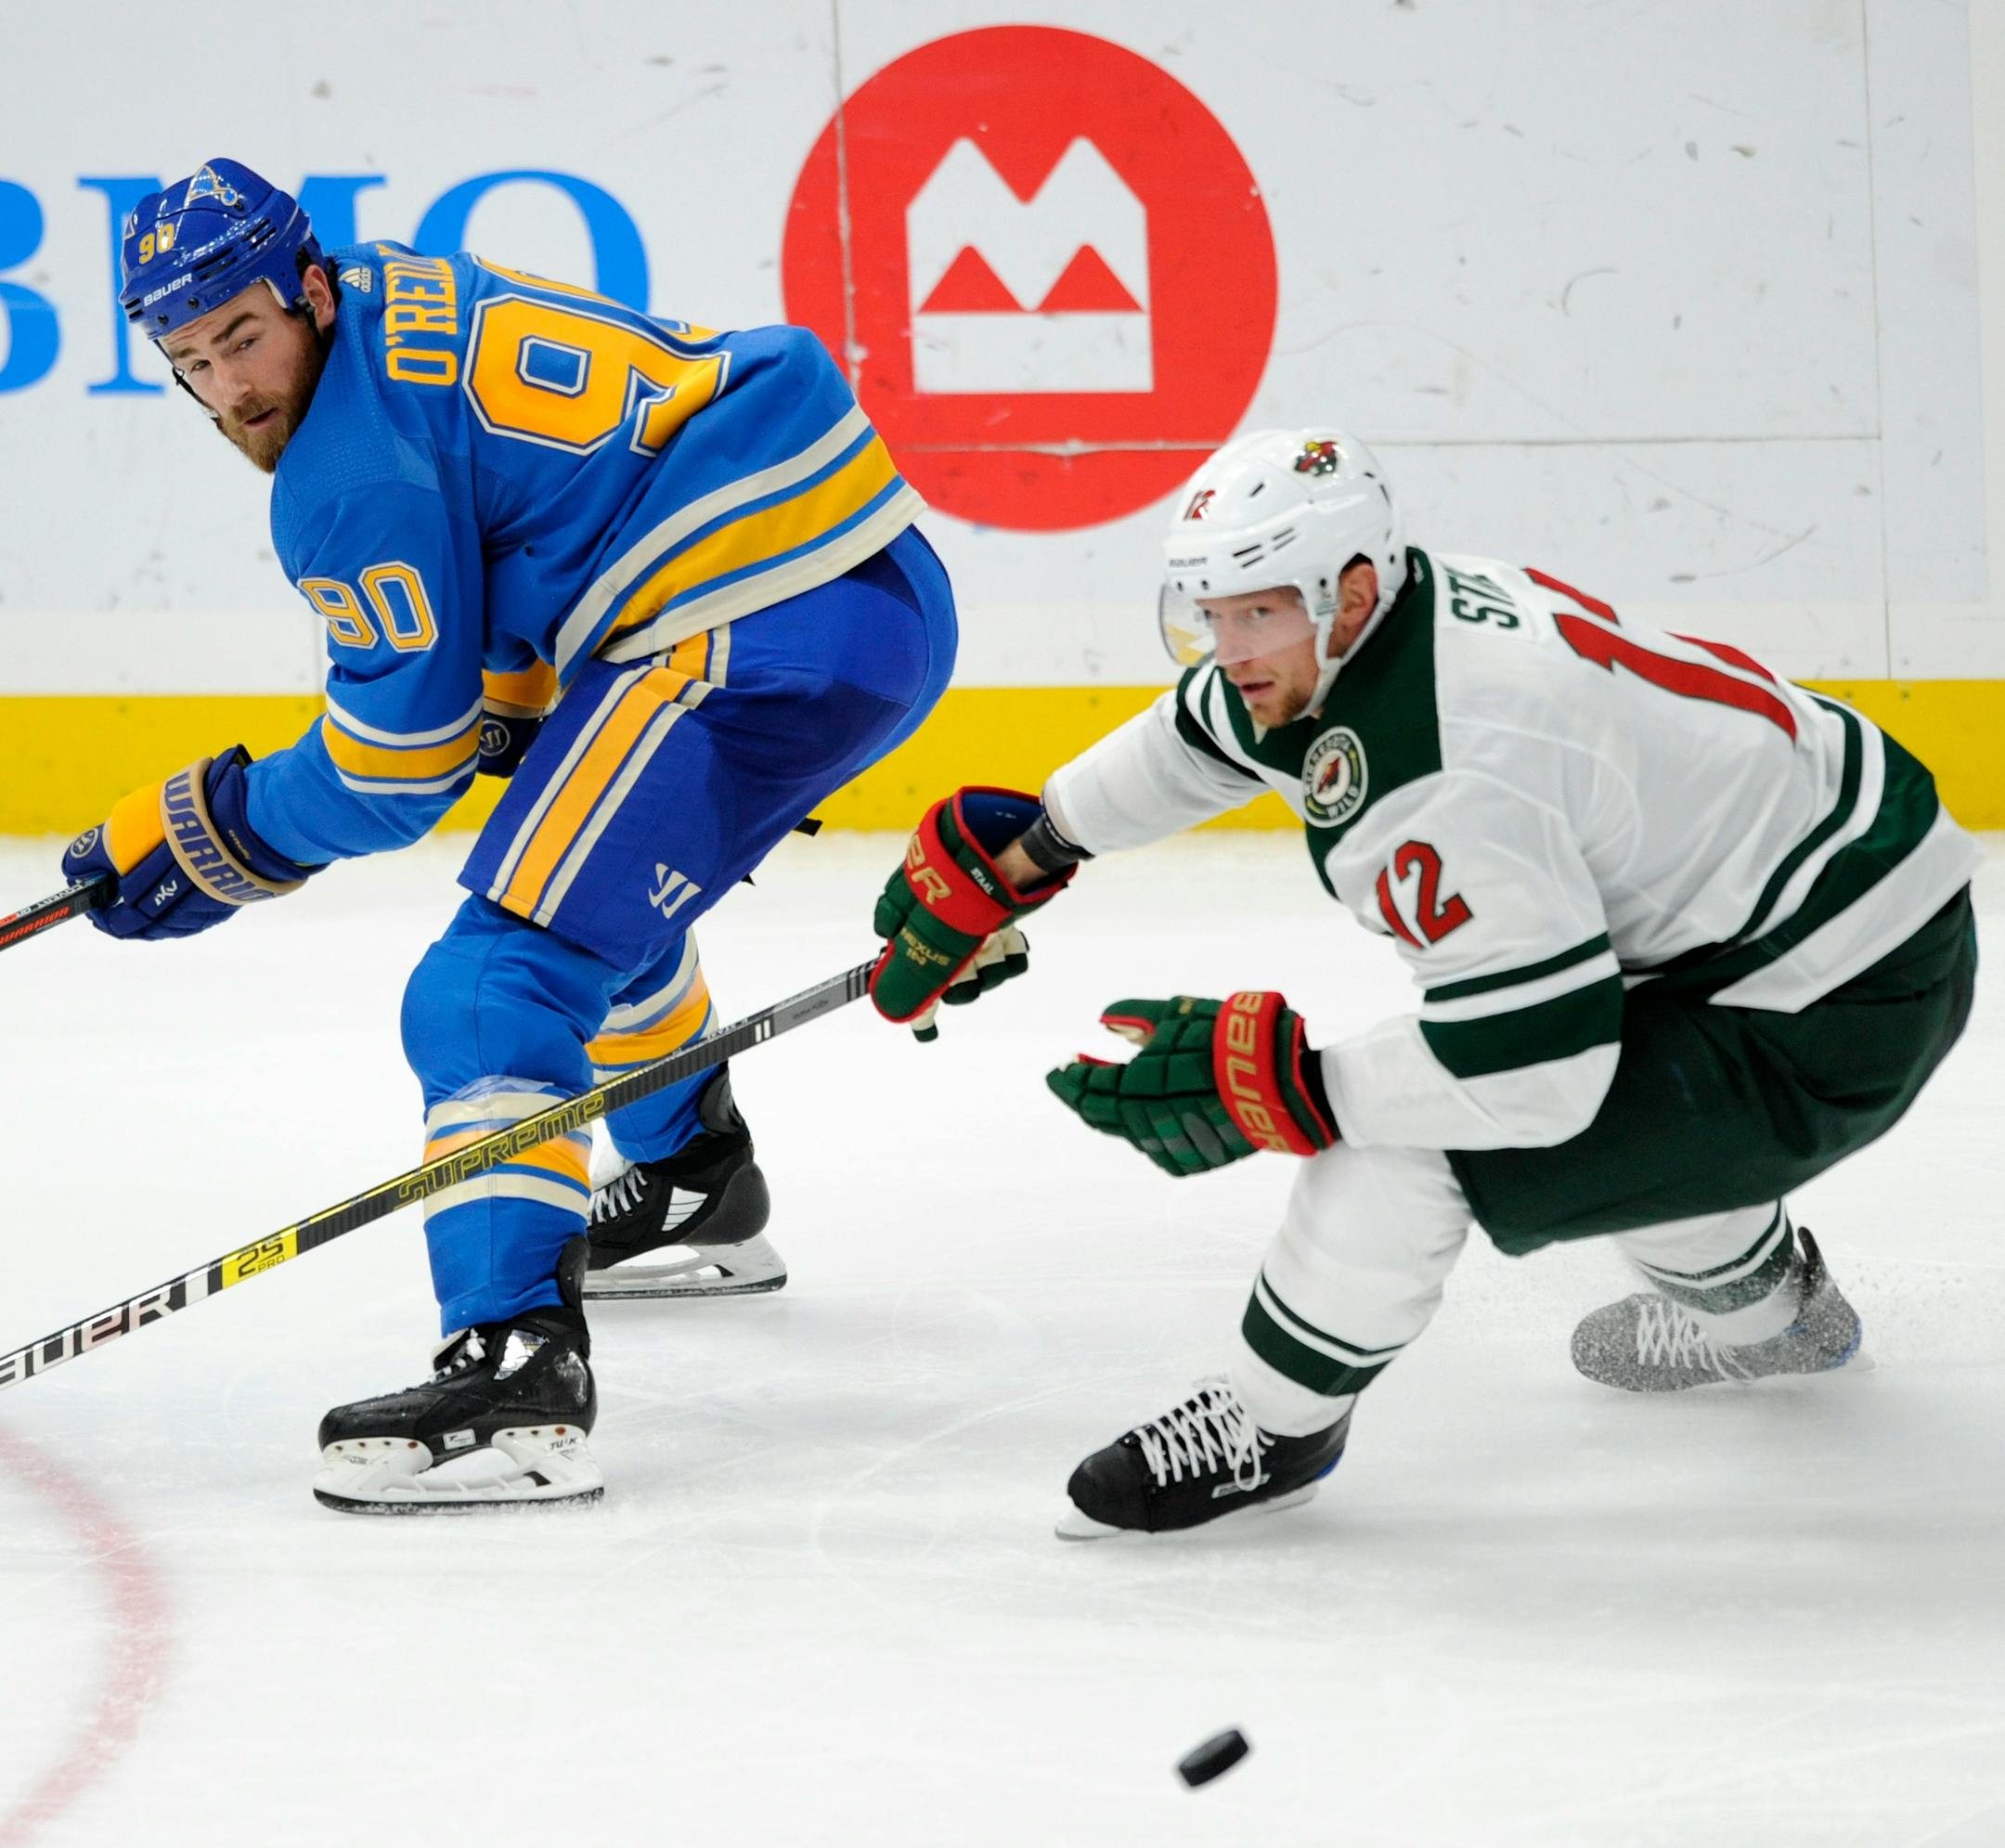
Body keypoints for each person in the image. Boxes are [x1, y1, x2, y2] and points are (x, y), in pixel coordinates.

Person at [865, 428, 1979, 1540]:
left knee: (1405, 1145)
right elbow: (1204, 734)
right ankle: (1777, 1322)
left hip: (1834, 1002)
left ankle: (1273, 1429)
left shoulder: (1448, 760)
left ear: (1349, 592)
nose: (1230, 647)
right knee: (1649, 1123)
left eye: (1259, 614)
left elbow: (1538, 1072)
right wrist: (1035, 849)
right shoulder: (1394, 620)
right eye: (1213, 615)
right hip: (1831, 910)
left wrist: (1299, 1087)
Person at [69, 160, 956, 1511]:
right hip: (852, 577)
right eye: (189, 361)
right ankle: (691, 1173)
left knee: (492, 981)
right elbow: (524, 506)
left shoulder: (341, 478)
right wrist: (510, 698)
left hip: (751, 622)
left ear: (304, 289)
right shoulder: (382, 288)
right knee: (575, 875)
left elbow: (394, 767)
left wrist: (218, 829)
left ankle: (518, 1369)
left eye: (243, 336)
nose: (230, 388)